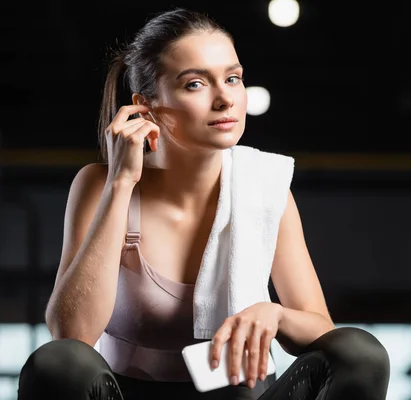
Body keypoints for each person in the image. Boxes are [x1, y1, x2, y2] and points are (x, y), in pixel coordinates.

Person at [17, 7, 390, 400]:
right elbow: (70, 334)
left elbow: (323, 332)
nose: (225, 98)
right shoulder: (100, 184)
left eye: (232, 78)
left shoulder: (263, 186)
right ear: (147, 106)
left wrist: (276, 315)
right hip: (129, 393)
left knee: (359, 353)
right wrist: (122, 182)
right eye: (195, 84)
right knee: (58, 363)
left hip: (241, 393)